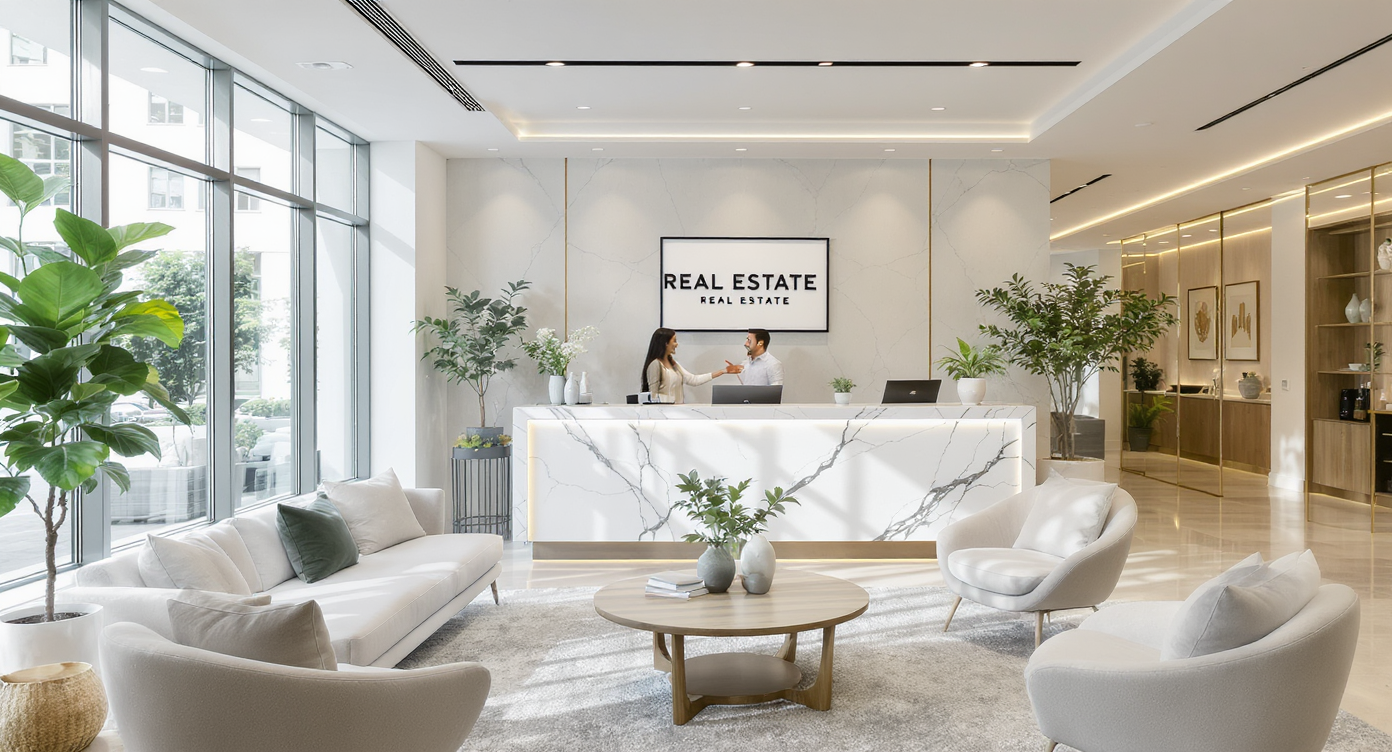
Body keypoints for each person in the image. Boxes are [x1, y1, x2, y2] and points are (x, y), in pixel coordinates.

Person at [640, 328, 741, 404]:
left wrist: (723, 371)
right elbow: (652, 396)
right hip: (664, 415)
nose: (677, 344)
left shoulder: (674, 365)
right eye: (674, 341)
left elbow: (693, 380)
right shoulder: (655, 364)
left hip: (677, 413)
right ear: (665, 343)